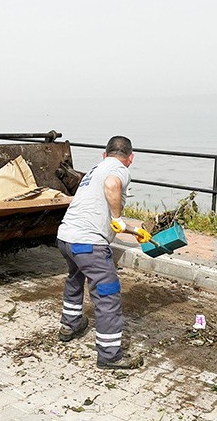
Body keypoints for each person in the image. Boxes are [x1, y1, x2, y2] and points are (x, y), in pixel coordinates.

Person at [56, 135, 151, 370]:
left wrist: (133, 229)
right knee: (108, 294)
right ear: (131, 158)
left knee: (75, 278)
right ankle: (110, 355)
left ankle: (71, 324)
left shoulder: (95, 169)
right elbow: (112, 186)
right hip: (89, 244)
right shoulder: (119, 169)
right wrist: (118, 218)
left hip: (67, 238)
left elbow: (101, 209)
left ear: (104, 154)